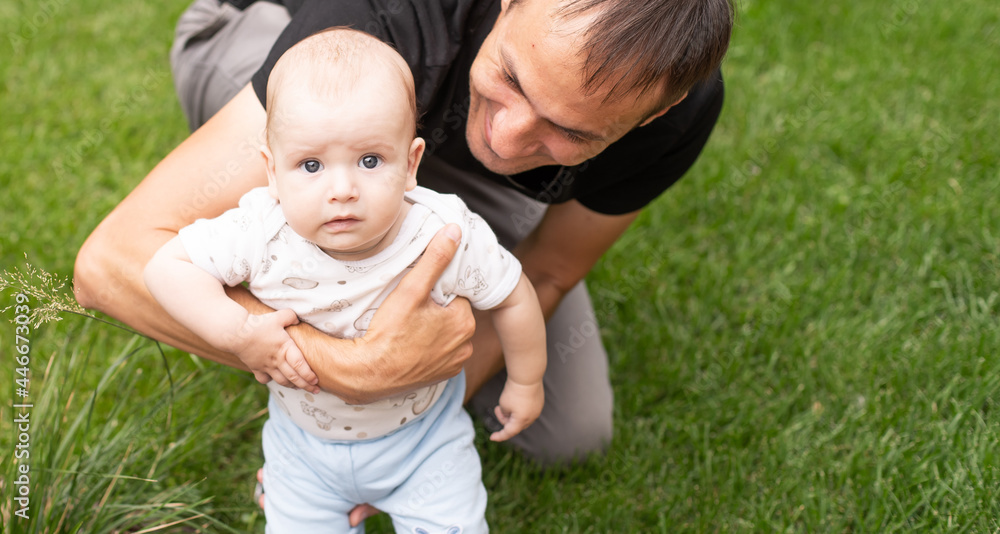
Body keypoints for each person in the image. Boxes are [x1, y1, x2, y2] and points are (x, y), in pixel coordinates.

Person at [75, 0, 732, 477]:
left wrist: (404, 429)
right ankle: (271, 211)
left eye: (571, 133)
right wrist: (352, 370)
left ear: (659, 110)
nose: (505, 140)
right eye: (510, 77)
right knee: (309, 163)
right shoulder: (389, 13)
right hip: (280, 46)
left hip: (420, 151)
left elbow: (549, 272)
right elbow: (110, 263)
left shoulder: (681, 112)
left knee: (571, 433)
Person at [144, 28, 546, 532]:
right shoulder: (260, 230)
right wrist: (237, 334)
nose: (341, 190)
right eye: (310, 165)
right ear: (271, 172)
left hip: (425, 442)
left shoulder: (443, 231)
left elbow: (513, 295)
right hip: (303, 451)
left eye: (370, 161)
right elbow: (166, 267)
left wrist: (526, 380)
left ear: (411, 164)